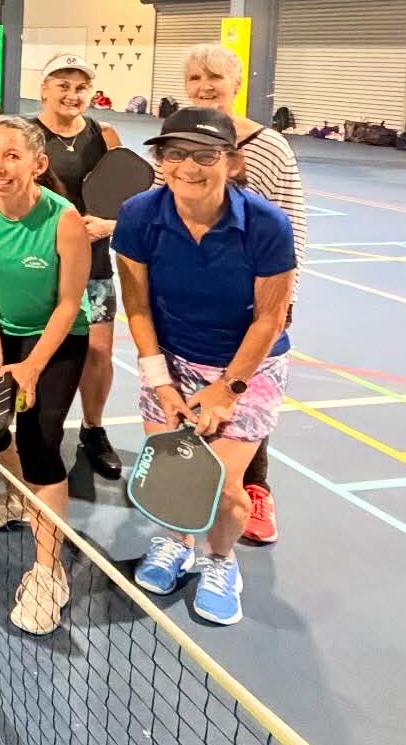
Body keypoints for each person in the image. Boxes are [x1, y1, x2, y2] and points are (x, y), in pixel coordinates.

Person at [117, 108, 295, 626]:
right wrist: (160, 382)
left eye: (205, 155)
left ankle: (220, 560)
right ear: (161, 160)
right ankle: (175, 542)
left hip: (249, 366)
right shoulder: (138, 215)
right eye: (175, 153)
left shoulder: (266, 224)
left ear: (232, 162)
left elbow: (270, 317)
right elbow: (137, 306)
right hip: (171, 360)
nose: (188, 167)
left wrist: (227, 389)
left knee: (223, 484)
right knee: (173, 474)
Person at [0, 118, 92, 636]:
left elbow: (69, 303)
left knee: (39, 444)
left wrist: (32, 366)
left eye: (12, 156)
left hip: (55, 337)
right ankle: (17, 496)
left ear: (38, 165)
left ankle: (49, 572)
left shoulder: (63, 220)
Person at [170, 44, 306, 545]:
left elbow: (291, 223)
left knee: (245, 390)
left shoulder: (270, 146)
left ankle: (255, 489)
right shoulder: (177, 139)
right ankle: (190, 484)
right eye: (195, 78)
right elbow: (159, 207)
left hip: (254, 297)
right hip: (188, 297)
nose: (205, 86)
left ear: (237, 83)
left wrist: (284, 300)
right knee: (188, 392)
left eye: (215, 77)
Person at [31, 54, 126, 480]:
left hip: (95, 263)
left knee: (99, 350)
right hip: (42, 262)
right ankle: (35, 428)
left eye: (81, 87)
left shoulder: (105, 137)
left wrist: (107, 225)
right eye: (62, 85)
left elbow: (129, 201)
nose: (72, 94)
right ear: (44, 89)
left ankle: (93, 428)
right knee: (39, 349)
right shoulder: (27, 135)